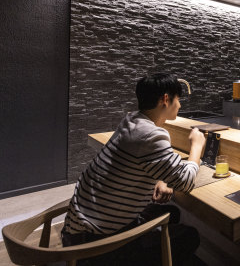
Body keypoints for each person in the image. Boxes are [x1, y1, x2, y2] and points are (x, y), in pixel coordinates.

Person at [61, 73, 207, 266]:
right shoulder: (150, 135)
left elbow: (141, 160)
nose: (179, 105)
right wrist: (196, 146)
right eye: (178, 99)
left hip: (78, 227)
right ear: (165, 99)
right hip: (96, 244)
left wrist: (160, 178)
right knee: (190, 237)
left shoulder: (132, 121)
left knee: (172, 212)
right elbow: (185, 182)